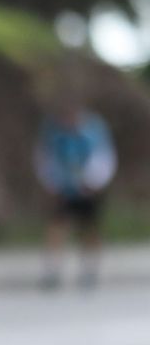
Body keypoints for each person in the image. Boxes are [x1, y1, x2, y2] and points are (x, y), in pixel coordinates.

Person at [35, 94, 116, 289]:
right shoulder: (54, 135)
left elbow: (105, 158)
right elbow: (45, 160)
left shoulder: (93, 133)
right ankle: (53, 270)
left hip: (88, 189)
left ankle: (90, 269)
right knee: (56, 227)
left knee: (89, 229)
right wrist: (52, 184)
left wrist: (94, 182)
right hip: (64, 189)